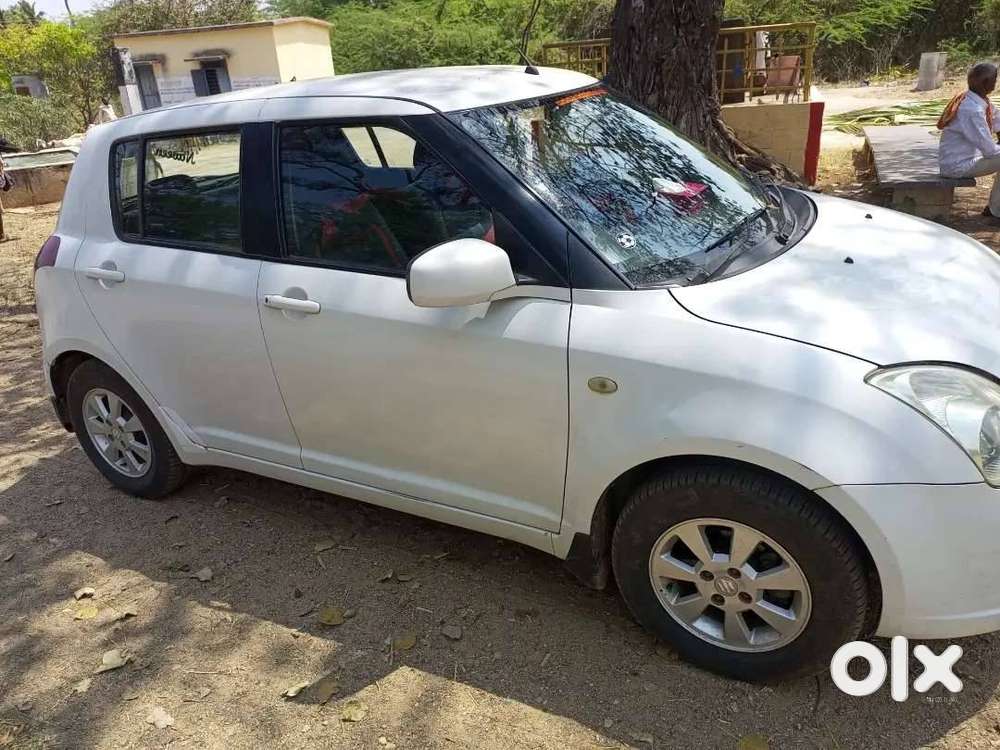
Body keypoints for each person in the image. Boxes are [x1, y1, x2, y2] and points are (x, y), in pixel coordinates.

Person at [938, 62, 1000, 218]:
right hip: (957, 166)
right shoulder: (972, 109)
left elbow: (998, 120)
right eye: (994, 79)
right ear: (986, 83)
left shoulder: (975, 99)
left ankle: (995, 209)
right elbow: (990, 151)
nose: (996, 83)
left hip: (965, 160)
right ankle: (995, 209)